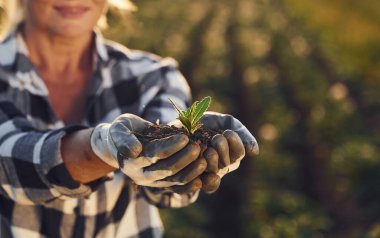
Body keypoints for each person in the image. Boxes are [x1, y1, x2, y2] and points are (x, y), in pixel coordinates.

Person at [0, 0, 259, 237]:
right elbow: (10, 166)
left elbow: (166, 186)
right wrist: (103, 146)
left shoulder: (152, 76)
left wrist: (185, 154)